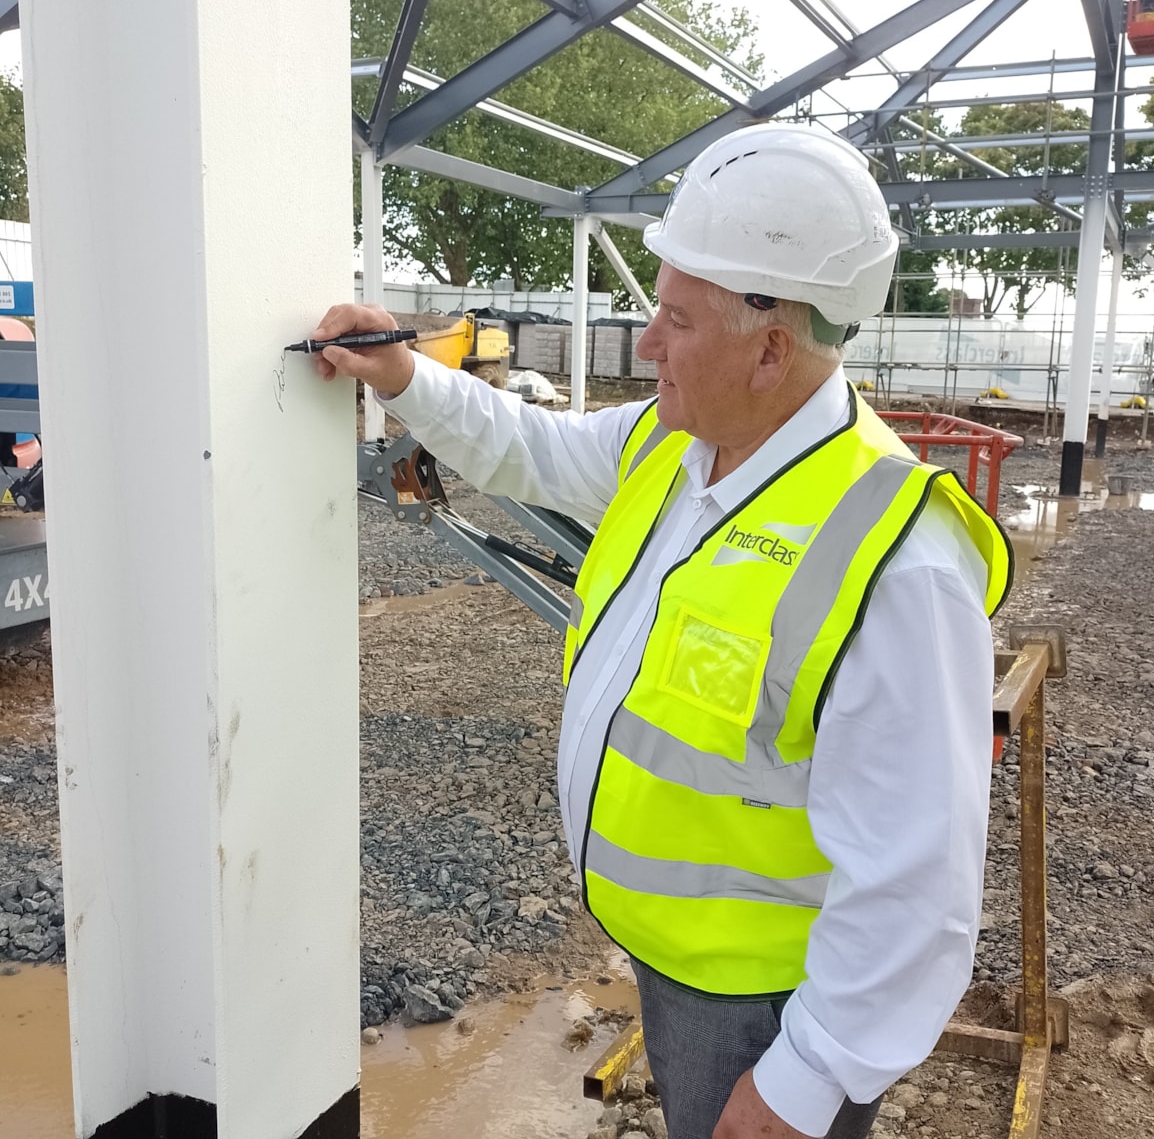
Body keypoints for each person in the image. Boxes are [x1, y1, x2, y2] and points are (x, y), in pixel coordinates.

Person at [313, 124, 1011, 1139]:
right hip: (676, 963)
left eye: (675, 320)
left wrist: (803, 1082)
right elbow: (533, 450)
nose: (645, 345)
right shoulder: (680, 447)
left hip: (765, 1008)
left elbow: (920, 882)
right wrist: (405, 375)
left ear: (770, 346)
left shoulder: (897, 560)